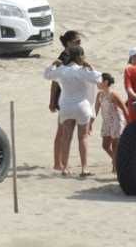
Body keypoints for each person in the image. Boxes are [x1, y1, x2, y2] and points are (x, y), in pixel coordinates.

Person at [44, 44, 99, 176]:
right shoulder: (82, 71)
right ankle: (84, 168)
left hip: (67, 107)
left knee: (66, 138)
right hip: (82, 107)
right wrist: (91, 67)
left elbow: (47, 75)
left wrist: (52, 64)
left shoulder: (62, 70)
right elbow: (98, 78)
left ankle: (65, 167)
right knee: (83, 137)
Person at [49, 31, 83, 171]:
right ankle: (58, 163)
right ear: (69, 43)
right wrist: (52, 101)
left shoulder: (73, 56)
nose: (80, 43)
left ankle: (62, 161)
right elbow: (54, 82)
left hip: (70, 97)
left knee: (65, 132)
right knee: (62, 131)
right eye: (77, 41)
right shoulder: (63, 58)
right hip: (64, 98)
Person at [94, 73, 127, 174]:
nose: (97, 83)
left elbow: (124, 108)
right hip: (107, 122)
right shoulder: (99, 95)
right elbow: (95, 110)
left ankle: (115, 168)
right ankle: (119, 161)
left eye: (99, 81)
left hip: (116, 121)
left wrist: (129, 122)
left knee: (115, 146)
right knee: (105, 146)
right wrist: (89, 124)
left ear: (105, 82)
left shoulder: (113, 94)